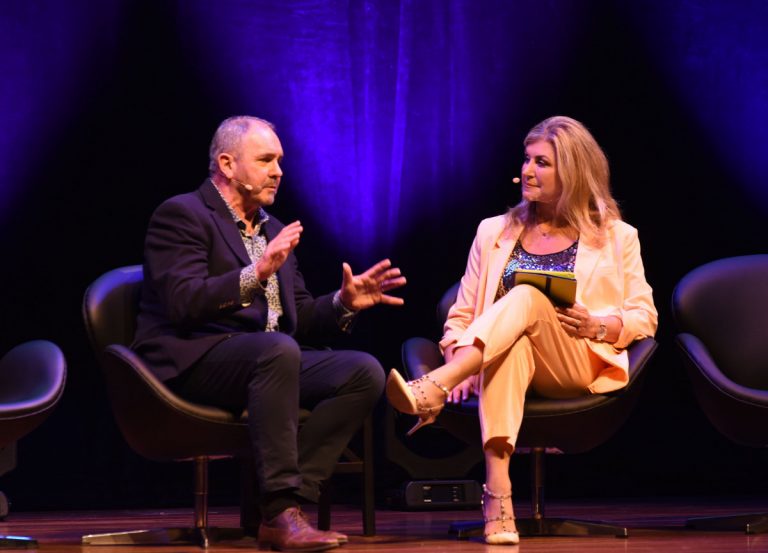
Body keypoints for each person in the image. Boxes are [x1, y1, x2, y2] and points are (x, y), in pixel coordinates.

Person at [133, 115, 406, 552]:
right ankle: (280, 512)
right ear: (226, 163)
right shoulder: (182, 214)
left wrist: (343, 303)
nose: (278, 170)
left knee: (363, 371)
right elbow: (182, 303)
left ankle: (288, 504)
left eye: (279, 160)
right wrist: (256, 272)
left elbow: (297, 317)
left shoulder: (273, 230)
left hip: (267, 360)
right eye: (265, 160)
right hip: (195, 359)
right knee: (276, 350)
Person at [386, 116, 657, 545]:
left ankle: (435, 387)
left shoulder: (617, 237)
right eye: (527, 160)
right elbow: (460, 317)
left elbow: (645, 316)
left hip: (574, 359)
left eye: (543, 163)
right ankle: (498, 498)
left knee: (528, 296)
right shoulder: (494, 231)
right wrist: (461, 358)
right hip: (505, 358)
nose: (527, 171)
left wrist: (598, 324)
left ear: (573, 171)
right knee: (511, 348)